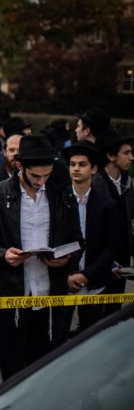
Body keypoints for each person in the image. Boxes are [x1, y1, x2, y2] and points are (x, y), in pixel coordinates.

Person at [0, 135, 82, 378]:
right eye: (35, 176)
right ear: (20, 166)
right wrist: (2, 255)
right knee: (6, 366)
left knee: (41, 370)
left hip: (47, 294)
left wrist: (67, 260)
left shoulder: (62, 195)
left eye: (47, 175)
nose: (41, 181)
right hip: (9, 294)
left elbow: (77, 240)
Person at [62, 141, 120, 332]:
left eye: (82, 164)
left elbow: (112, 247)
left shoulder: (107, 205)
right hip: (63, 283)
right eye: (72, 164)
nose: (76, 168)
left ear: (94, 169)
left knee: (91, 337)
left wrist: (86, 275)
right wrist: (67, 277)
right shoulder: (58, 201)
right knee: (57, 339)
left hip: (94, 283)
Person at [91, 127, 134, 315]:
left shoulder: (127, 182)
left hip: (122, 261)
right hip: (100, 261)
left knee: (114, 313)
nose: (131, 157)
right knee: (94, 315)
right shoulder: (95, 185)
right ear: (111, 156)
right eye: (126, 153)